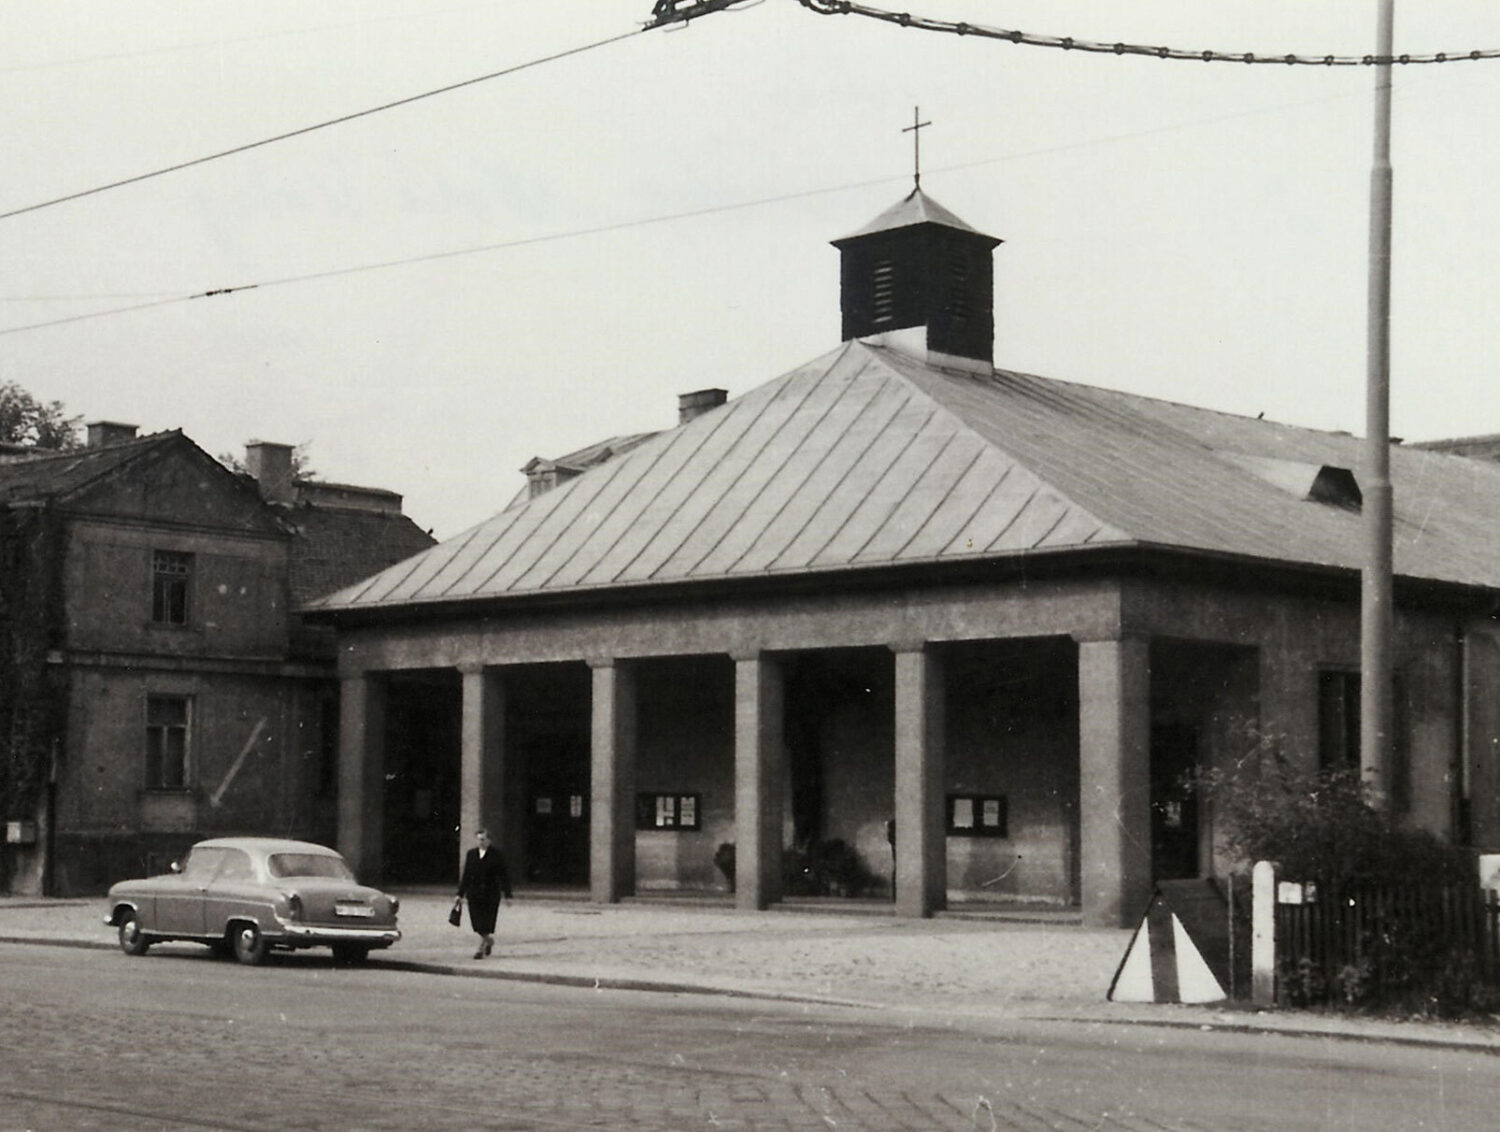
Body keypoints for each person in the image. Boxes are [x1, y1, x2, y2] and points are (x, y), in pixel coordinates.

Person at [456, 827, 512, 959]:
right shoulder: (471, 854)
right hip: (474, 893)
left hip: (490, 894)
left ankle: (480, 948)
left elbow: (504, 875)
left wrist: (508, 895)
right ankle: (489, 940)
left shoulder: (497, 855)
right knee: (476, 923)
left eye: (483, 839)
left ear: (489, 840)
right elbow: (466, 875)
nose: (481, 842)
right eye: (479, 839)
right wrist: (460, 894)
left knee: (486, 922)